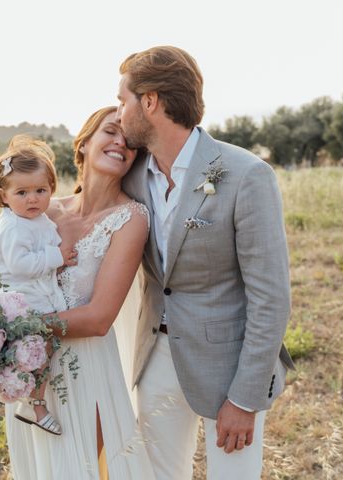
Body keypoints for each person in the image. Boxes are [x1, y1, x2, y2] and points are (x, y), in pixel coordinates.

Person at [118, 45, 295, 480]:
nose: (119, 113)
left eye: (122, 101)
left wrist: (245, 398)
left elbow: (270, 297)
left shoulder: (245, 175)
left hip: (228, 366)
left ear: (151, 102)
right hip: (155, 357)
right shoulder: (134, 175)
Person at [4, 106, 155, 480]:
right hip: (28, 367)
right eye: (110, 132)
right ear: (84, 143)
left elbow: (99, 318)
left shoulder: (131, 219)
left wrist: (20, 326)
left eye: (130, 141)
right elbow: (0, 274)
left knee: (96, 467)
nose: (121, 142)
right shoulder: (41, 211)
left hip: (86, 370)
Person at [0, 136, 77, 436]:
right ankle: (34, 404)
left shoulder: (33, 219)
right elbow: (21, 264)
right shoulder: (13, 227)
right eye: (22, 192)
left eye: (40, 190)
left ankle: (30, 397)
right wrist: (56, 257)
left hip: (32, 291)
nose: (33, 199)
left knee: (40, 349)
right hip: (17, 297)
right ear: (3, 195)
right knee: (39, 347)